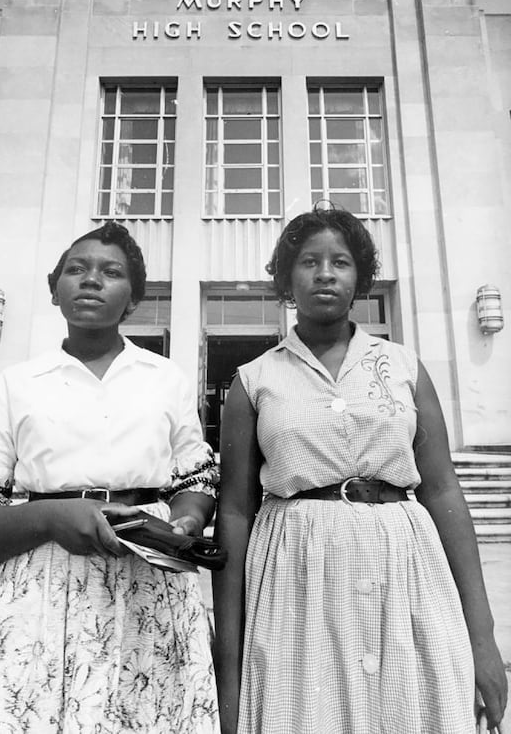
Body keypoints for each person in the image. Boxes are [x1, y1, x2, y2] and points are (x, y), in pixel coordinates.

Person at [0, 221, 220, 733]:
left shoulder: (164, 379)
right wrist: (52, 517)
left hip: (144, 586)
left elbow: (194, 479)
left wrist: (184, 524)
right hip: (35, 589)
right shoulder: (18, 384)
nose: (91, 280)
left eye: (111, 272)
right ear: (55, 289)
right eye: (76, 270)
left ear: (134, 298)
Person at [213, 208, 508, 734]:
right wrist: (229, 670)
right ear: (286, 279)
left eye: (340, 262)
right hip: (294, 582)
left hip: (407, 570)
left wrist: (483, 639)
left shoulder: (404, 368)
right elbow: (235, 512)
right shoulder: (253, 381)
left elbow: (442, 491)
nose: (325, 273)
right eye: (308, 262)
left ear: (361, 279)